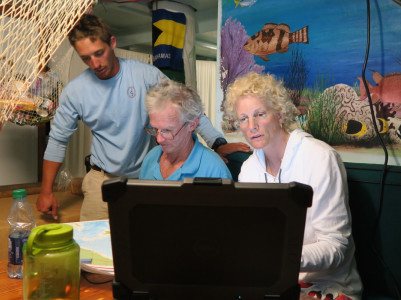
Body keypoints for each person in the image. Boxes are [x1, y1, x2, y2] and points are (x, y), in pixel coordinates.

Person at [37, 14, 250, 221]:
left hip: (145, 177)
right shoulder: (75, 91)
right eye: (86, 58)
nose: (95, 63)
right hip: (100, 180)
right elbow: (57, 140)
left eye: (99, 53)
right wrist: (46, 191)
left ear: (112, 43)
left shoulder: (145, 75)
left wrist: (217, 142)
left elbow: (187, 108)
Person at [223, 72, 362, 300]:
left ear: (279, 114)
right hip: (272, 281)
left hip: (329, 285)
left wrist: (278, 256)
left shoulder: (320, 158)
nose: (252, 126)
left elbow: (336, 247)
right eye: (243, 118)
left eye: (260, 114)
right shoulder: (249, 169)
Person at [140, 80, 232, 180]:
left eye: (167, 130)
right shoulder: (151, 157)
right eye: (155, 129)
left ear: (192, 125)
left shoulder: (214, 170)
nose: (159, 140)